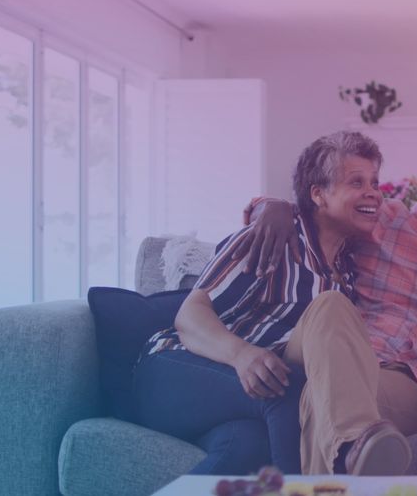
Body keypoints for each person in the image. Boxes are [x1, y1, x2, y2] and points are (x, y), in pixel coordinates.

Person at [132, 131, 383, 474]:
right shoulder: (273, 236)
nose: (373, 192)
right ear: (318, 194)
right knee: (284, 388)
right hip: (175, 368)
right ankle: (343, 465)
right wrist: (242, 355)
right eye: (357, 181)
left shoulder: (347, 270)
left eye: (375, 181)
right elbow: (190, 315)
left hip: (240, 398)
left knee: (247, 446)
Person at [247, 142, 417, 474]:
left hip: (416, 388)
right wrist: (270, 205)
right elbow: (324, 209)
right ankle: (354, 450)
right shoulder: (386, 220)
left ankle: (348, 448)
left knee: (318, 398)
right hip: (353, 356)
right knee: (330, 308)